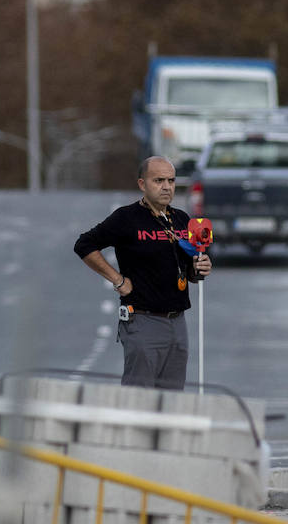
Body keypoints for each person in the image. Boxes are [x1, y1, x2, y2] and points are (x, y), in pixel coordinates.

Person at [73, 156, 211, 390]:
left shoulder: (181, 219)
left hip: (177, 322)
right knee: (139, 401)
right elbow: (84, 245)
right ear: (142, 184)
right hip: (143, 320)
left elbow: (188, 271)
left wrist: (199, 269)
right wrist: (117, 280)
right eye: (158, 180)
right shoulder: (126, 218)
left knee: (172, 400)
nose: (166, 187)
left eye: (171, 180)